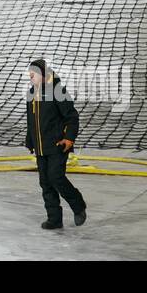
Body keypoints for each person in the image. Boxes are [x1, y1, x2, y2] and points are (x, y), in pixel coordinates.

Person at [25, 58, 87, 230]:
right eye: (30, 73)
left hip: (58, 145)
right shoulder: (31, 94)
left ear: (44, 74)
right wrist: (30, 140)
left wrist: (69, 138)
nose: (31, 75)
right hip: (40, 147)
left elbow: (72, 118)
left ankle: (78, 205)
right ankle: (54, 219)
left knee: (56, 177)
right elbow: (31, 121)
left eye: (34, 73)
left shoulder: (58, 91)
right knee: (45, 182)